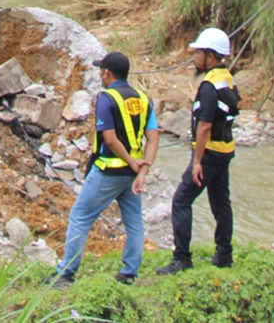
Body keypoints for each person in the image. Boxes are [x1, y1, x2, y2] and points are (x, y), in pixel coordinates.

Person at [48, 50, 158, 288]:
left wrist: (129, 161)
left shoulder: (106, 98)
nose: (100, 73)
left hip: (108, 170)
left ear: (107, 73)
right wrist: (142, 171)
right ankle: (129, 273)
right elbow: (154, 138)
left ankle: (65, 274)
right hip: (132, 175)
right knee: (134, 223)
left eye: (101, 70)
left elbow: (109, 139)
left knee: (80, 217)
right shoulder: (144, 98)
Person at [159, 27, 240, 275]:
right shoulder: (227, 78)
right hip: (225, 149)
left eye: (199, 53)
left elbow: (204, 126)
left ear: (211, 56)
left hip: (210, 153)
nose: (195, 57)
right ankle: (224, 254)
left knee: (181, 200)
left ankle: (182, 258)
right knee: (220, 202)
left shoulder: (208, 86)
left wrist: (197, 161)